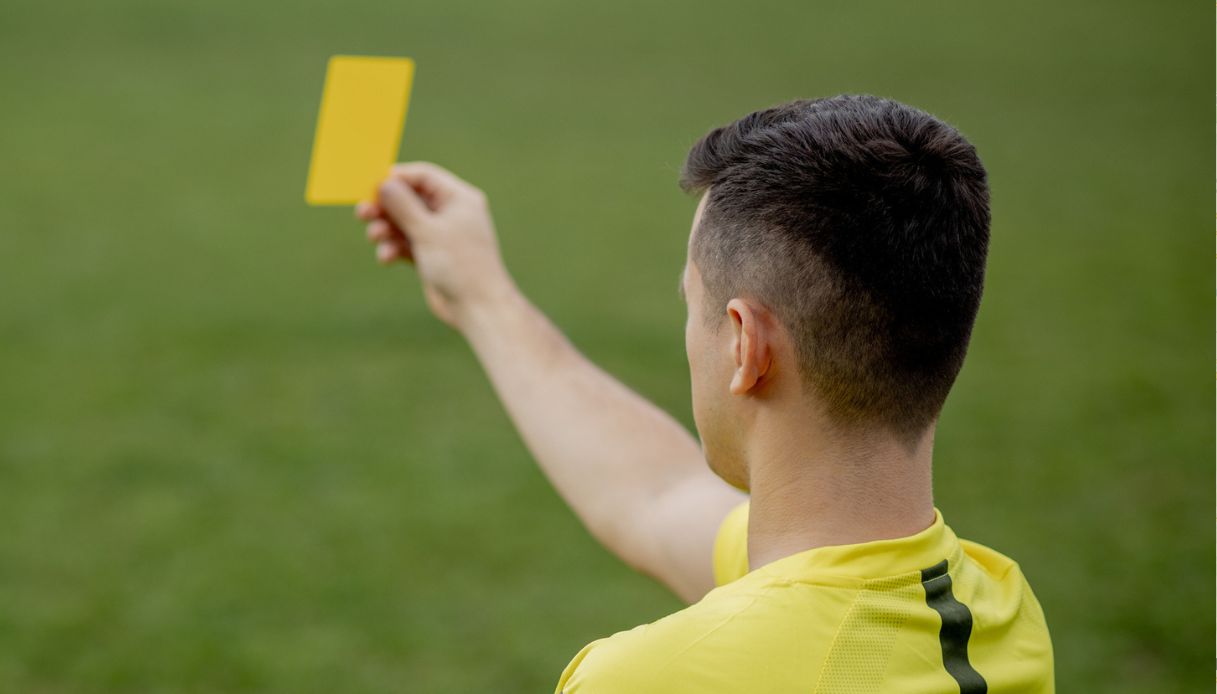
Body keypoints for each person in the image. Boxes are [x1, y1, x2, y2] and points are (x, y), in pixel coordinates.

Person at [354, 94, 1054, 693]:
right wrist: (481, 296)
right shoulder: (998, 609)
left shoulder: (649, 680)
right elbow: (656, 496)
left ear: (744, 345)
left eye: (692, 305)